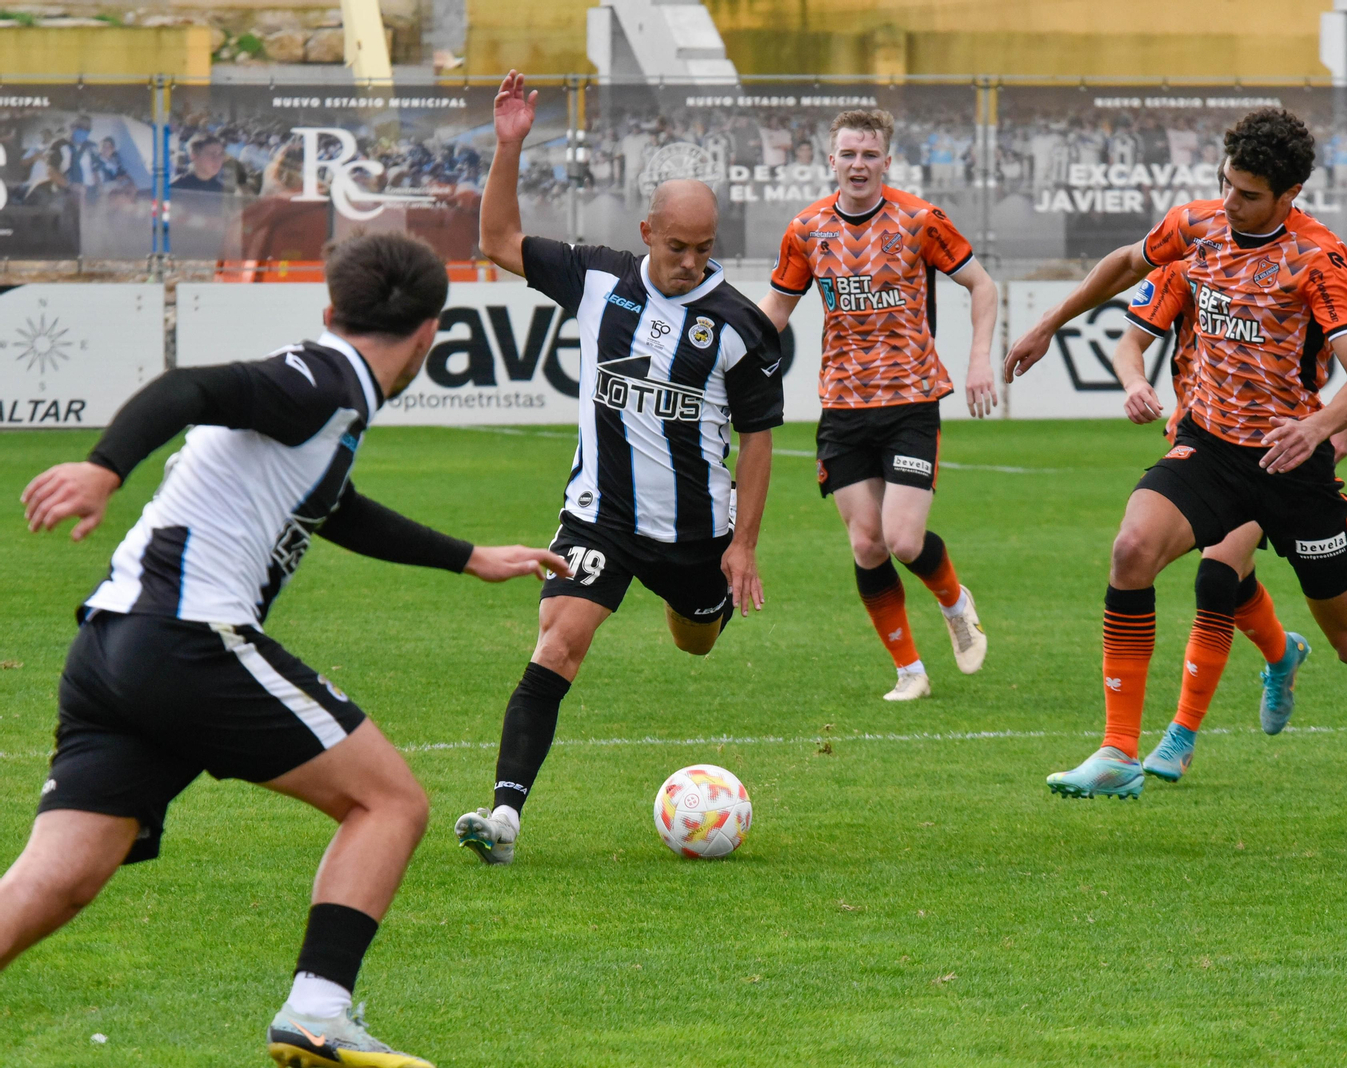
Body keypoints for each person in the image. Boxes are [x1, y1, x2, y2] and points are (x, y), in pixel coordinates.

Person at [3, 231, 570, 1068]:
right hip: (187, 640)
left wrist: (468, 557)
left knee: (60, 877)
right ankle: (317, 1012)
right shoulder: (323, 380)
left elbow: (332, 506)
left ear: (332, 308)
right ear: (430, 334)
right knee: (390, 804)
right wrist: (104, 468)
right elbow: (193, 387)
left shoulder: (330, 400)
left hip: (111, 650)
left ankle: (317, 1014)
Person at [1004, 107, 1347, 821]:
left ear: (1289, 193)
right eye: (1226, 184)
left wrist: (1319, 426)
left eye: (1247, 194)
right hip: (1211, 448)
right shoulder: (1198, 225)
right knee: (1131, 550)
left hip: (1291, 463)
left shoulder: (1320, 259)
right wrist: (1045, 325)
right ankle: (1119, 752)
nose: (1230, 202)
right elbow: (1125, 264)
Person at [458, 71, 783, 865]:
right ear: (647, 232)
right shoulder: (597, 278)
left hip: (694, 532)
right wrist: (509, 146)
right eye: (677, 247)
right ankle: (504, 818)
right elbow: (497, 241)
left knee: (695, 642)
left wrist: (742, 545)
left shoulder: (739, 327)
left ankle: (692, 602)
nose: (690, 262)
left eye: (704, 249)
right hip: (598, 516)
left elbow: (758, 439)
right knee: (558, 642)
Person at [759, 107, 998, 702]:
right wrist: (724, 359)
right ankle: (910, 671)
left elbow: (983, 285)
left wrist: (978, 360)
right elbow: (775, 312)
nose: (858, 164)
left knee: (903, 541)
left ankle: (955, 603)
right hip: (842, 407)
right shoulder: (806, 229)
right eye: (848, 153)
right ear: (831, 160)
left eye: (870, 154)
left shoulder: (919, 220)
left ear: (887, 162)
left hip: (910, 400)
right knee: (866, 544)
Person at [1113, 257, 1347, 782]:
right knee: (1227, 578)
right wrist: (1135, 382)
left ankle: (1181, 734)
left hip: (1272, 453)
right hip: (1199, 443)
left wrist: (1342, 422)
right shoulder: (1189, 261)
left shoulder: (1299, 259)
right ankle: (1282, 653)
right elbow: (1130, 339)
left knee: (1217, 575)